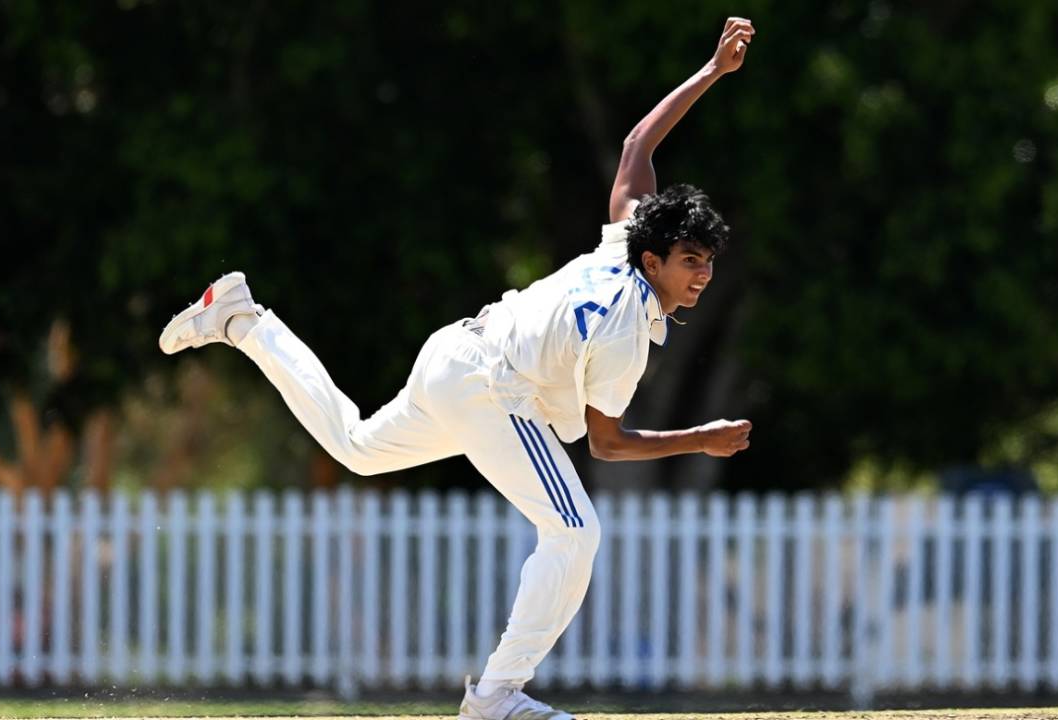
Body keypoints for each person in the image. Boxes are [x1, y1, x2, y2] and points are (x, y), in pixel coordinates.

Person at [159, 16, 755, 720]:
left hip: (455, 353)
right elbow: (606, 443)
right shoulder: (627, 326)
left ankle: (242, 319)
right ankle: (497, 696)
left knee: (356, 446)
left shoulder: (626, 240)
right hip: (490, 388)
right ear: (654, 260)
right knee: (575, 532)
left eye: (709, 262)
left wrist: (712, 72)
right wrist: (703, 436)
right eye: (691, 262)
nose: (702, 276)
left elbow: (636, 146)